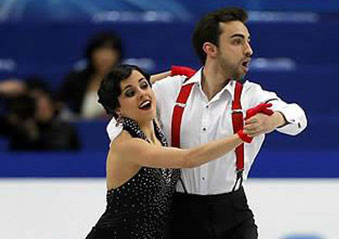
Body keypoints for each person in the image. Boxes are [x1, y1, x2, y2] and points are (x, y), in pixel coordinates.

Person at [107, 7, 307, 239]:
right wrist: (153, 80)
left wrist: (274, 120)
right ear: (210, 49)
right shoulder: (169, 91)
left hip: (233, 212)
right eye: (237, 41)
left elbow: (298, 117)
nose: (249, 50)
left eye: (248, 41)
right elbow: (117, 119)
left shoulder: (251, 96)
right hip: (177, 213)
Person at [86, 64, 272, 239]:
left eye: (144, 86)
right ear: (118, 109)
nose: (142, 94)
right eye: (130, 93)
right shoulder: (128, 145)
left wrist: (174, 72)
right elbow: (188, 159)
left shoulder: (156, 129)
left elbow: (146, 86)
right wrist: (242, 136)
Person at [0, 77, 80, 150]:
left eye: (39, 99)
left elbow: (60, 157)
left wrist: (35, 136)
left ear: (50, 101)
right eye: (31, 100)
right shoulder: (17, 127)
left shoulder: (64, 130)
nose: (36, 104)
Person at [57, 32, 122, 119]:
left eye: (110, 50)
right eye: (100, 50)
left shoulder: (128, 79)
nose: (105, 57)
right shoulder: (76, 79)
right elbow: (58, 104)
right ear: (91, 54)